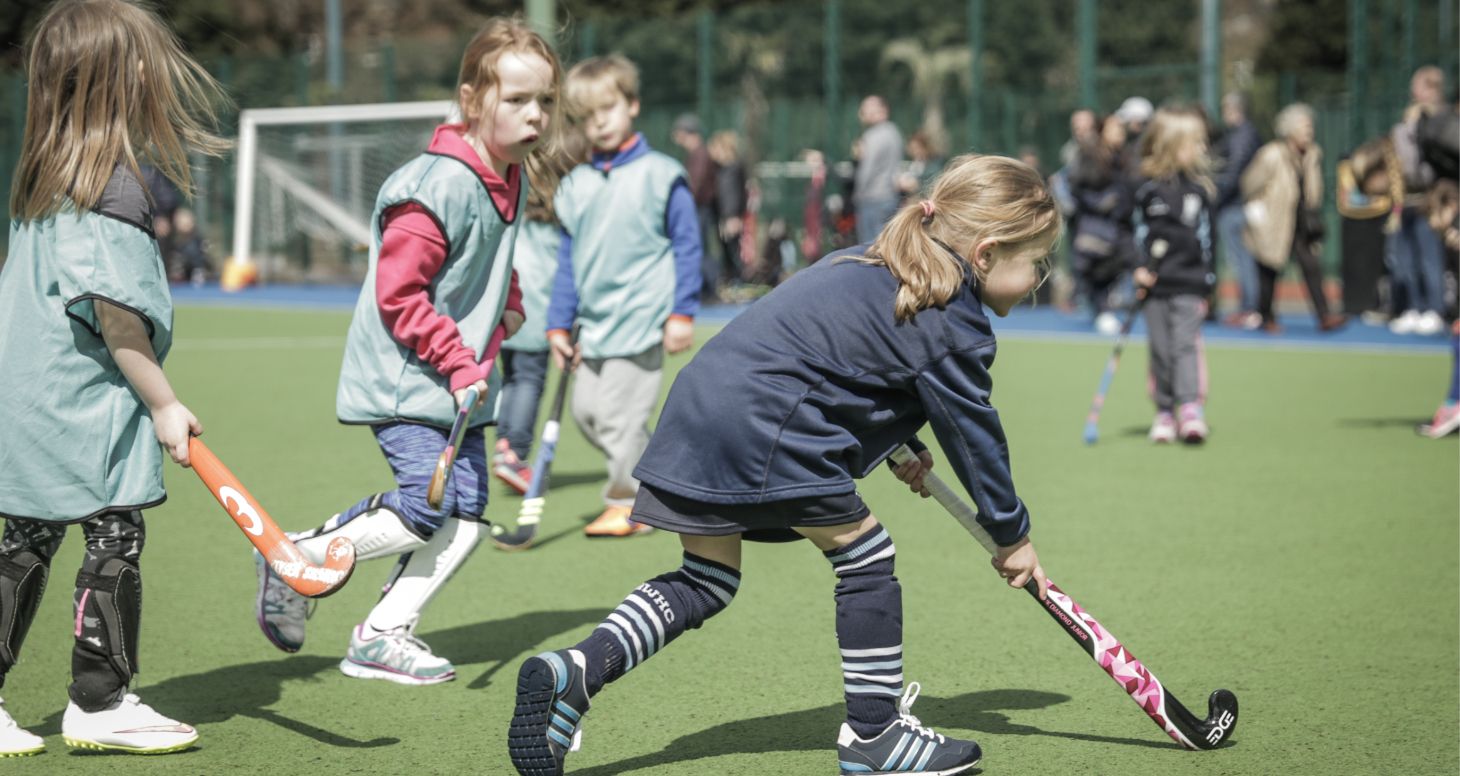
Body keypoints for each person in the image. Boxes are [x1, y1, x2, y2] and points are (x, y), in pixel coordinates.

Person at [506, 154, 1056, 776]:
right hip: (765, 424)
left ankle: (574, 673)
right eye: (1035, 260)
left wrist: (894, 442)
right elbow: (973, 434)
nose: (1038, 276)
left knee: (706, 580)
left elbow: (839, 365)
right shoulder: (952, 312)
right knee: (866, 555)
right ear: (984, 254)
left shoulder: (870, 261)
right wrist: (1011, 535)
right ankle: (876, 736)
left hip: (699, 409)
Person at [252, 17, 560, 684]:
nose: (535, 115)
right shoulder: (436, 184)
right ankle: (292, 556)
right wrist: (456, 361)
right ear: (473, 99)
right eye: (517, 100)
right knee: (425, 505)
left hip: (457, 382)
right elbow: (400, 295)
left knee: (469, 517)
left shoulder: (510, 174)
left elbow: (488, 258)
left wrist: (508, 300)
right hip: (410, 376)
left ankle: (381, 635)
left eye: (545, 101)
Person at [0, 0, 231, 755]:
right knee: (114, 534)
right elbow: (117, 316)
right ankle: (99, 703)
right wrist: (165, 405)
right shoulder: (112, 189)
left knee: (25, 544)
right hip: (83, 409)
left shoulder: (43, 180)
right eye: (143, 59)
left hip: (30, 403)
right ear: (116, 79)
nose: (156, 71)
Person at [545, 55, 703, 538]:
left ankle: (630, 504)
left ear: (632, 105)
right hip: (594, 326)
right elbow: (568, 260)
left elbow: (687, 245)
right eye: (587, 116)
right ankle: (668, 477)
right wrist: (557, 323)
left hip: (641, 319)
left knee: (620, 418)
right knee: (588, 414)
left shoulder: (661, 174)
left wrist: (681, 313)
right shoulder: (575, 184)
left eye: (608, 109)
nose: (599, 123)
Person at [492, 137, 584, 495]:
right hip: (539, 311)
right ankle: (515, 451)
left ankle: (504, 446)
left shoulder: (513, 206)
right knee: (530, 380)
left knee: (513, 377)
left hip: (508, 306)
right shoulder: (560, 212)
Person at [1132, 108, 1217, 444]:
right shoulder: (1147, 192)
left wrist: (1208, 281)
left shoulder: (1200, 193)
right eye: (1194, 143)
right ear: (1171, 146)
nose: (1201, 150)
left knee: (1185, 346)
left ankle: (1190, 408)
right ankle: (1164, 411)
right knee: (1161, 349)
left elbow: (1210, 241)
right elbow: (1138, 236)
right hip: (1155, 286)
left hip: (1190, 283)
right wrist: (1139, 269)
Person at [1240, 103, 1348, 334]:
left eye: (1310, 128)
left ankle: (1324, 315)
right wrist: (1256, 209)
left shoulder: (1313, 154)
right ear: (1289, 130)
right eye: (1304, 128)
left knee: (1311, 266)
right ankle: (1266, 315)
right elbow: (1249, 184)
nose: (1309, 133)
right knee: (1269, 269)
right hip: (1275, 221)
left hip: (1301, 222)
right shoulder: (1271, 155)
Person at [1387, 66, 1449, 336]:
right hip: (1406, 199)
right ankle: (1413, 307)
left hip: (1431, 198)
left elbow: (1430, 160)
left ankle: (1434, 310)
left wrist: (1418, 127)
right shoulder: (1408, 119)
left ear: (1433, 88)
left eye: (1420, 85)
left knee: (1429, 258)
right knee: (1405, 260)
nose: (1415, 91)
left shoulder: (1443, 119)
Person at [1069, 114, 1138, 334]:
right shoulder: (1089, 155)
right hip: (1096, 224)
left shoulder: (1126, 157)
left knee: (1125, 262)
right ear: (1103, 131)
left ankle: (1110, 306)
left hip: (1122, 224)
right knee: (1095, 268)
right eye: (1114, 129)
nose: (1120, 133)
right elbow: (1078, 187)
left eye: (1121, 129)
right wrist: (1101, 203)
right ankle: (1101, 309)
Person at [1212, 93, 1262, 328]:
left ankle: (1249, 309)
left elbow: (1234, 172)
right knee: (1243, 257)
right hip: (1240, 203)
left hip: (1236, 205)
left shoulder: (1242, 136)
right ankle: (1250, 307)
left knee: (1242, 258)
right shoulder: (1243, 135)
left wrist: (1217, 197)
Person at [670, 113, 721, 302]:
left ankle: (707, 288)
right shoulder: (697, 154)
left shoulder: (700, 154)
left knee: (698, 246)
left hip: (698, 208)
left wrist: (685, 203)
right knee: (700, 246)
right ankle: (706, 287)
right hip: (697, 207)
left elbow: (696, 184)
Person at [853, 95, 905, 244]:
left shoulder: (872, 136)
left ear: (883, 110)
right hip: (889, 195)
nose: (862, 113)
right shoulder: (894, 132)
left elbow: (867, 168)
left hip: (872, 197)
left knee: (868, 248)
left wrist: (858, 193)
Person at [710, 129, 749, 291]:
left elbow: (737, 195)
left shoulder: (734, 168)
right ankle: (730, 280)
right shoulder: (721, 170)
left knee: (734, 250)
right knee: (725, 249)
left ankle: (739, 282)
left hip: (731, 216)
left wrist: (733, 216)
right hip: (723, 215)